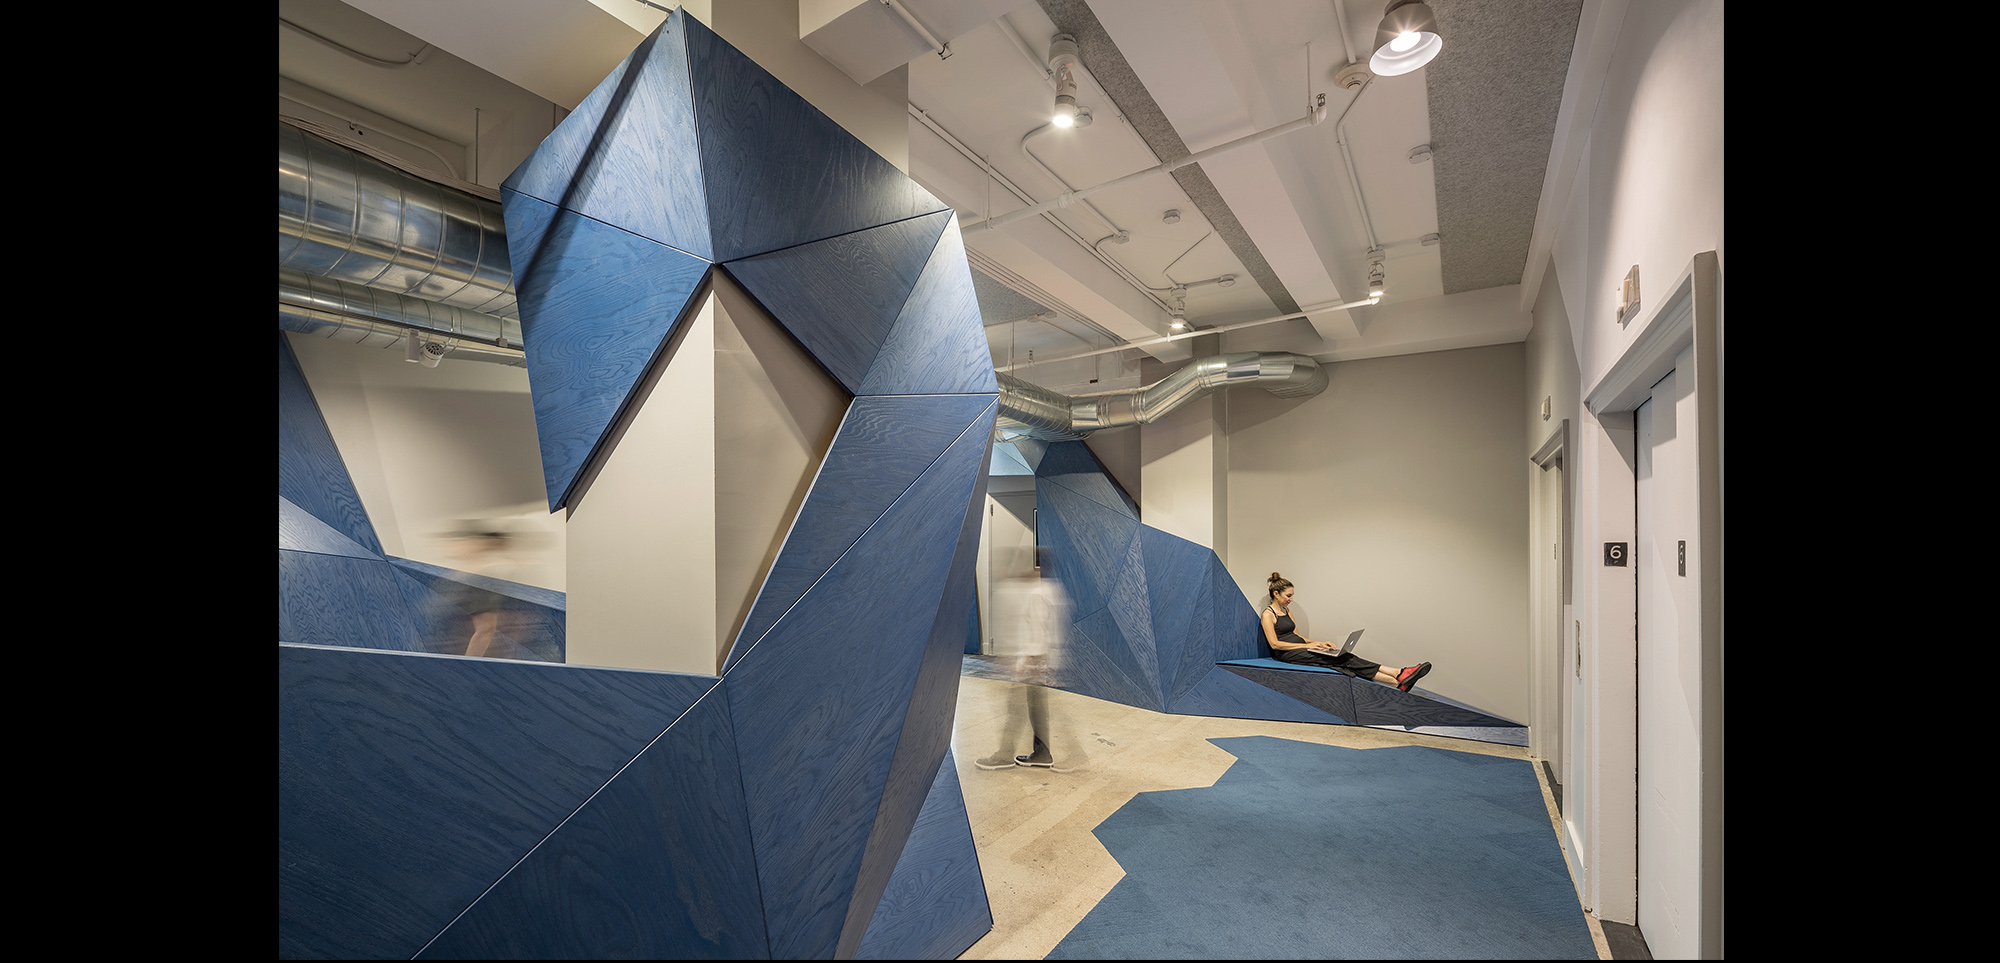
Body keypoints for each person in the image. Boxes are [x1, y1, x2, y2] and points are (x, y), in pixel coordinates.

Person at [1260, 572, 1431, 692]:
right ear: (1276, 594)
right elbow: (1275, 644)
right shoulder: (1268, 615)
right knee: (1343, 658)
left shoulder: (1287, 611)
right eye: (1288, 596)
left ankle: (1396, 682)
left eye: (1292, 595)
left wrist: (1317, 643)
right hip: (1288, 654)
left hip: (1301, 649)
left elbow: (1298, 636)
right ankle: (1398, 673)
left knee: (1342, 658)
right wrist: (1306, 647)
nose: (1291, 599)